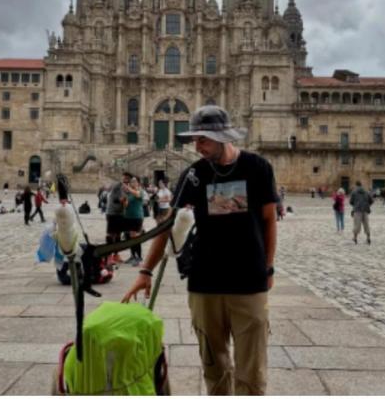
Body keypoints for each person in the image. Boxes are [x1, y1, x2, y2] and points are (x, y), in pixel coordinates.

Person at [123, 105, 277, 395]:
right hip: (205, 283)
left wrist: (268, 267)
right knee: (214, 369)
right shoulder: (193, 174)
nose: (197, 146)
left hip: (249, 280)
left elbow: (269, 221)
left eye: (202, 139)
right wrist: (145, 271)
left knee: (252, 373)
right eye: (195, 139)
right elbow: (167, 225)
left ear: (221, 136)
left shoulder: (258, 168)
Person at [106, 174, 130, 263]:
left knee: (118, 235)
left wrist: (125, 202)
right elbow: (117, 199)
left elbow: (125, 203)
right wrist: (122, 181)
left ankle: (116, 255)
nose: (126, 182)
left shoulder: (126, 191)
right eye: (125, 179)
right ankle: (109, 256)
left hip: (120, 214)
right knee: (111, 234)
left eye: (127, 180)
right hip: (112, 213)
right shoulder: (116, 187)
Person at [124, 176, 145, 266]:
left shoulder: (140, 191)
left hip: (137, 217)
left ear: (138, 183)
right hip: (129, 217)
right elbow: (126, 205)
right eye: (131, 181)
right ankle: (132, 255)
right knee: (130, 237)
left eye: (134, 181)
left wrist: (128, 188)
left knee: (136, 237)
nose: (132, 182)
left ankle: (139, 257)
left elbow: (137, 195)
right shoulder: (129, 193)